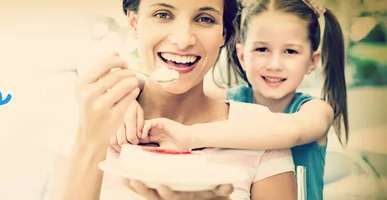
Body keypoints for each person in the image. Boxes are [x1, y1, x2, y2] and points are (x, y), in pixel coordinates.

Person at [48, 0, 297, 199]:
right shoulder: (91, 117)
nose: (183, 39)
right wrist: (93, 140)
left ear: (223, 34)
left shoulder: (260, 128)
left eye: (204, 19)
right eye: (163, 14)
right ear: (134, 23)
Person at [113, 0, 348, 199]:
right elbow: (175, 87)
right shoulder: (233, 98)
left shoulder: (315, 110)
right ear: (242, 55)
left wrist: (189, 136)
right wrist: (128, 94)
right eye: (262, 49)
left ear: (312, 61)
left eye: (290, 52)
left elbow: (290, 131)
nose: (275, 64)